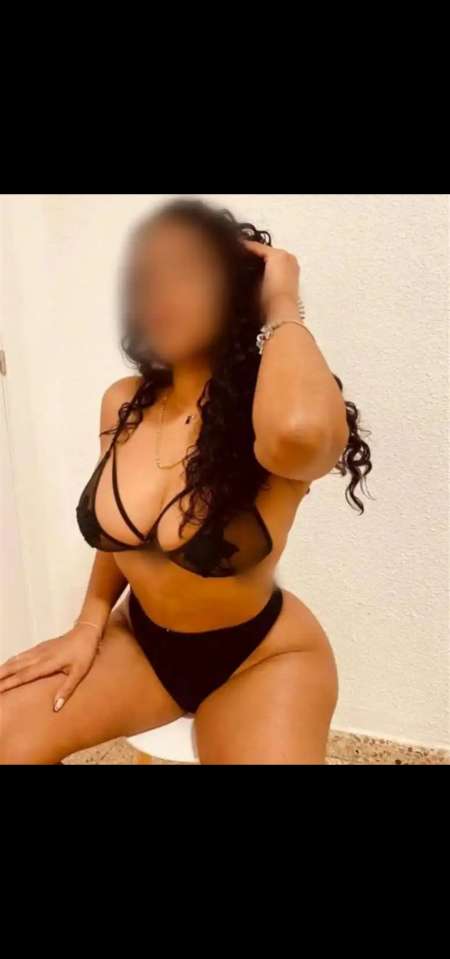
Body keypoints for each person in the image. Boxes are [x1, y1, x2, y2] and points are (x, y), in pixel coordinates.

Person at [0, 199, 372, 764]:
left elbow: (302, 433)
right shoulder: (124, 403)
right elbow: (117, 537)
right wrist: (88, 623)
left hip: (262, 657)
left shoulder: (270, 416)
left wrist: (282, 302)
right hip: (141, 645)